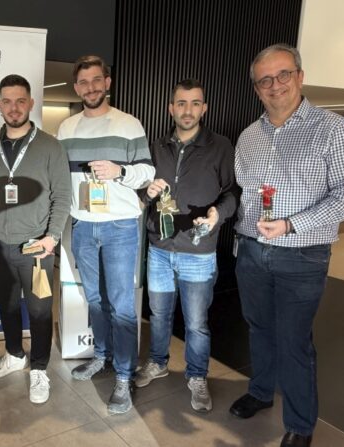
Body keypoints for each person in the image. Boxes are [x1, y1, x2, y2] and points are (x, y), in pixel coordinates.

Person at [230, 44, 344, 447]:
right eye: (265, 80)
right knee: (258, 328)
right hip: (252, 250)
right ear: (256, 88)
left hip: (303, 256)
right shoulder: (249, 136)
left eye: (283, 74)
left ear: (300, 76)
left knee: (294, 341)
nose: (275, 85)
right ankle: (260, 391)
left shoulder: (333, 129)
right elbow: (245, 191)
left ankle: (301, 425)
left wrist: (291, 224)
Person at [57, 55, 155, 414]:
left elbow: (147, 173)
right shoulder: (66, 128)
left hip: (120, 226)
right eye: (83, 82)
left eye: (97, 80)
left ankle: (124, 376)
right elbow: (59, 179)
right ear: (76, 87)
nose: (91, 87)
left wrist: (120, 171)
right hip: (82, 225)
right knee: (96, 299)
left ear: (107, 83)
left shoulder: (129, 124)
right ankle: (102, 355)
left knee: (122, 305)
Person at [135, 79, 237, 413]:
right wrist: (146, 193)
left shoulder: (220, 146)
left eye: (195, 103)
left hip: (198, 252)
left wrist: (218, 214)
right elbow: (141, 192)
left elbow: (232, 192)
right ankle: (158, 362)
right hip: (160, 249)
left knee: (196, 323)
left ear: (204, 108)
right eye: (181, 103)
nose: (188, 110)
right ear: (171, 108)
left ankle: (196, 376)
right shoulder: (156, 146)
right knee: (159, 315)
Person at [0, 74, 71, 404]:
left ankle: (40, 368)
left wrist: (51, 237)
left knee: (40, 310)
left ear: (31, 103)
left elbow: (62, 196)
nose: (13, 108)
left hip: (37, 248)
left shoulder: (50, 146)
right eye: (7, 101)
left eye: (20, 101)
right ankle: (15, 354)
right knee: (7, 306)